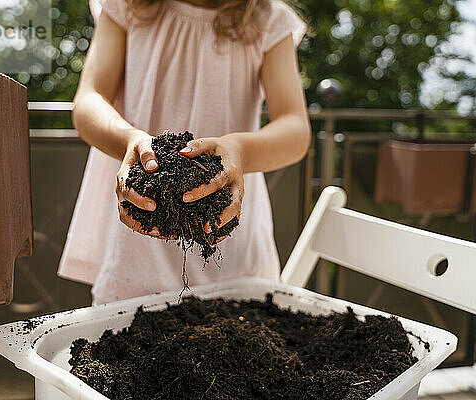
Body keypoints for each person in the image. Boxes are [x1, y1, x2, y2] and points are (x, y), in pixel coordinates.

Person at [59, 0, 312, 305]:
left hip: (232, 248)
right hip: (138, 250)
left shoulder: (269, 20)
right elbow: (89, 99)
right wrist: (128, 139)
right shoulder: (129, 6)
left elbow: (295, 128)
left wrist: (239, 150)